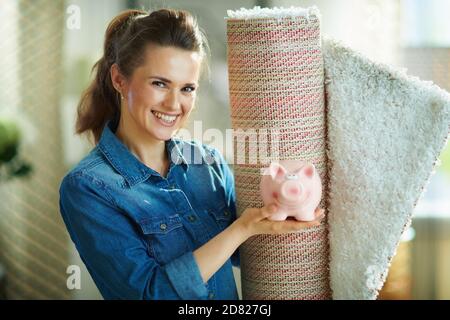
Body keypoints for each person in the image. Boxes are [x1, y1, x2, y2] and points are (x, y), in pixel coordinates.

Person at [59, 8, 324, 300]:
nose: (174, 104)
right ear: (119, 80)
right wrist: (241, 228)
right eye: (159, 83)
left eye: (187, 88)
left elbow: (246, 256)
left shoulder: (207, 164)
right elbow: (149, 294)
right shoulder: (87, 187)